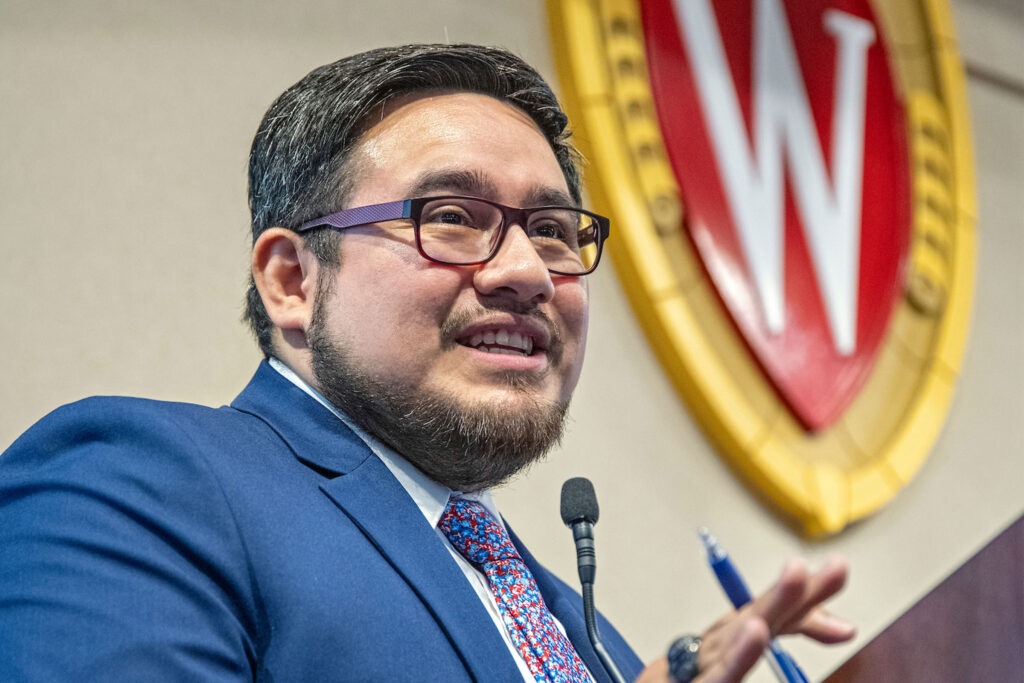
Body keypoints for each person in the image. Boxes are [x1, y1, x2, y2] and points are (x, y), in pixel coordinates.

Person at [0, 44, 854, 682]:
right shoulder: (137, 482)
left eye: (554, 232)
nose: (526, 272)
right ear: (294, 279)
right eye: (451, 215)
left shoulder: (590, 639)